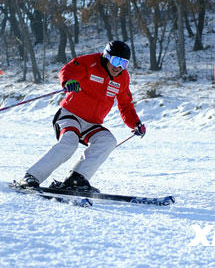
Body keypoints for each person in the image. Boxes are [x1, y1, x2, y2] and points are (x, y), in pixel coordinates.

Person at [19, 40, 146, 192]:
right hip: (70, 115)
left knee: (108, 141)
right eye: (116, 60)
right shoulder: (90, 62)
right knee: (69, 142)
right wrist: (68, 81)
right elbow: (68, 70)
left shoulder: (122, 78)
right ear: (107, 57)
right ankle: (31, 176)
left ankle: (76, 179)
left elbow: (125, 104)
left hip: (92, 124)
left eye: (124, 63)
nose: (118, 67)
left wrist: (135, 123)